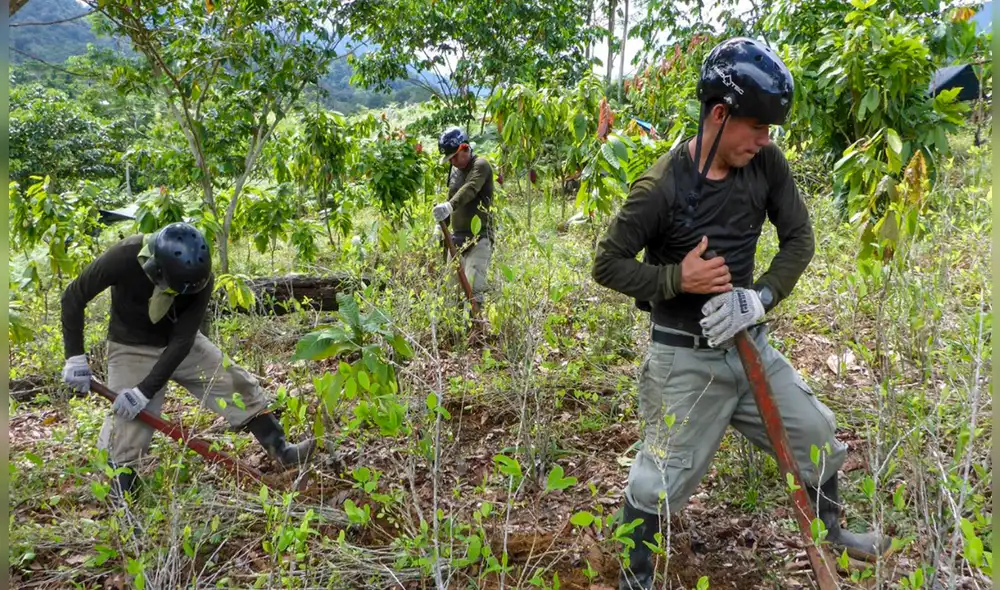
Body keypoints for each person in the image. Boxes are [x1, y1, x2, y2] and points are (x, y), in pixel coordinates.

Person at [591, 37, 890, 589]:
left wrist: (760, 297)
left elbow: (799, 238)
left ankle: (833, 534)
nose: (765, 139)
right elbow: (606, 264)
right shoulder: (660, 187)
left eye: (770, 129)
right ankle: (634, 578)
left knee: (819, 437)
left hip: (750, 346)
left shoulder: (767, 165)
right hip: (684, 362)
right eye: (757, 126)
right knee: (656, 484)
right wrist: (676, 279)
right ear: (720, 114)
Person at [60, 222, 316, 499]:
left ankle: (282, 450)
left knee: (236, 383)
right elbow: (74, 295)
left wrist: (145, 390)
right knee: (128, 427)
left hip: (181, 342)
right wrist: (74, 356)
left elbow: (183, 341)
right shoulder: (124, 255)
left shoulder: (200, 280)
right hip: (131, 346)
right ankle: (119, 496)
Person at [432, 126, 495, 309]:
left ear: (465, 148)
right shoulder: (455, 173)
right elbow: (451, 198)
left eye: (454, 157)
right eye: (449, 160)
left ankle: (477, 334)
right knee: (451, 295)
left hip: (480, 238)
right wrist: (441, 224)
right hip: (457, 241)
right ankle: (457, 335)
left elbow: (470, 189)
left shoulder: (481, 165)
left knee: (473, 291)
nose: (452, 163)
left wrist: (449, 206)